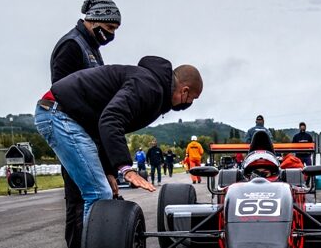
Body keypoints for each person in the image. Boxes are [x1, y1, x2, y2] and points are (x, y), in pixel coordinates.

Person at [34, 58, 202, 219]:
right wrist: (125, 168)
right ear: (184, 90)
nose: (187, 104)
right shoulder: (148, 86)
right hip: (59, 113)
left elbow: (102, 127)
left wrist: (109, 171)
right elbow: (110, 120)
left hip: (70, 116)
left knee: (103, 189)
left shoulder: (151, 86)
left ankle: (89, 245)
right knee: (98, 193)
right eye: (191, 99)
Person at [50, 0, 121, 248]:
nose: (112, 36)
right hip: (72, 128)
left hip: (88, 131)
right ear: (97, 20)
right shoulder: (71, 45)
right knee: (80, 197)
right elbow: (65, 94)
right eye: (111, 29)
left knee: (89, 194)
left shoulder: (91, 47)